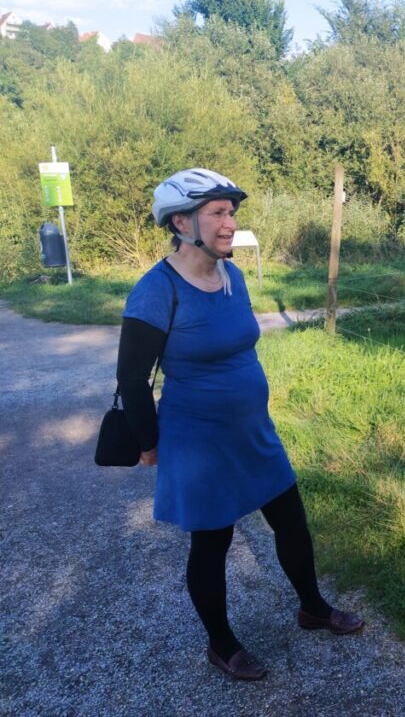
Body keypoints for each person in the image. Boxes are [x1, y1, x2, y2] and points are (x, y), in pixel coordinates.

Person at [116, 168, 363, 681]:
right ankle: (221, 644)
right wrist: (150, 444)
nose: (229, 223)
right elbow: (132, 377)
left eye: (231, 212)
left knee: (291, 520)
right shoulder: (156, 290)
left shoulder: (234, 275)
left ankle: (312, 607)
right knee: (213, 542)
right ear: (181, 221)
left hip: (253, 432)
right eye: (218, 213)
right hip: (197, 440)